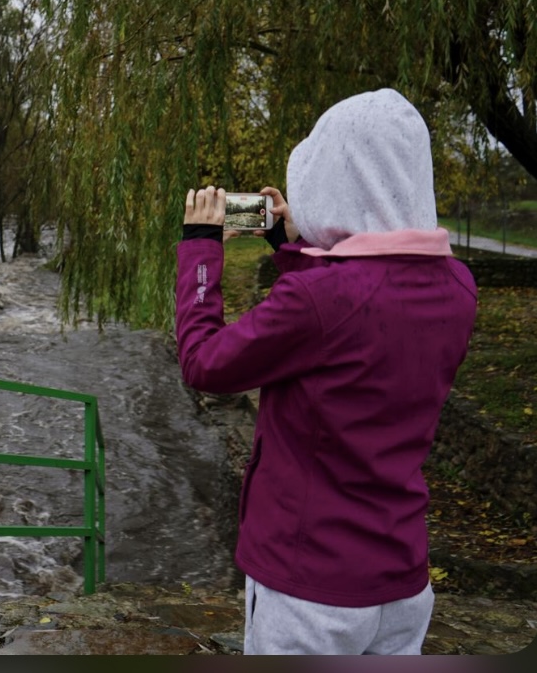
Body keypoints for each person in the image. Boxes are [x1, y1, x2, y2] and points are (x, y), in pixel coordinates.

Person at [174, 88, 477, 655]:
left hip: (309, 591)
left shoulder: (321, 301)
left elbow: (203, 362)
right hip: (402, 585)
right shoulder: (459, 289)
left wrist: (199, 248)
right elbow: (351, 315)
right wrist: (293, 243)